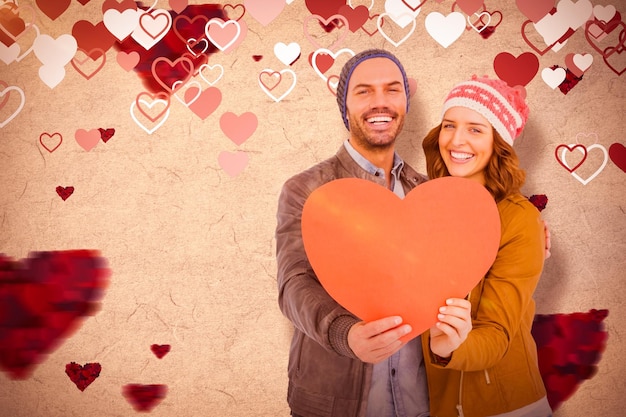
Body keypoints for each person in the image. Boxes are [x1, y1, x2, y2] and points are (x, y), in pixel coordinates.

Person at [275, 49, 472, 417]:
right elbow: (293, 284)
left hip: (419, 402)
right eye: (364, 91)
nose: (379, 102)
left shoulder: (427, 193)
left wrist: (524, 219)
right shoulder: (306, 189)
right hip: (333, 403)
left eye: (392, 89)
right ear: (345, 106)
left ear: (405, 103)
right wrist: (344, 334)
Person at [420, 76, 552, 417]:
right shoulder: (426, 210)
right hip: (439, 405)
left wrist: (450, 348)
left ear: (499, 143)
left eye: (476, 129)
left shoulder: (519, 220)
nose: (456, 140)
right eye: (449, 125)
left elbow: (496, 334)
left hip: (507, 406)